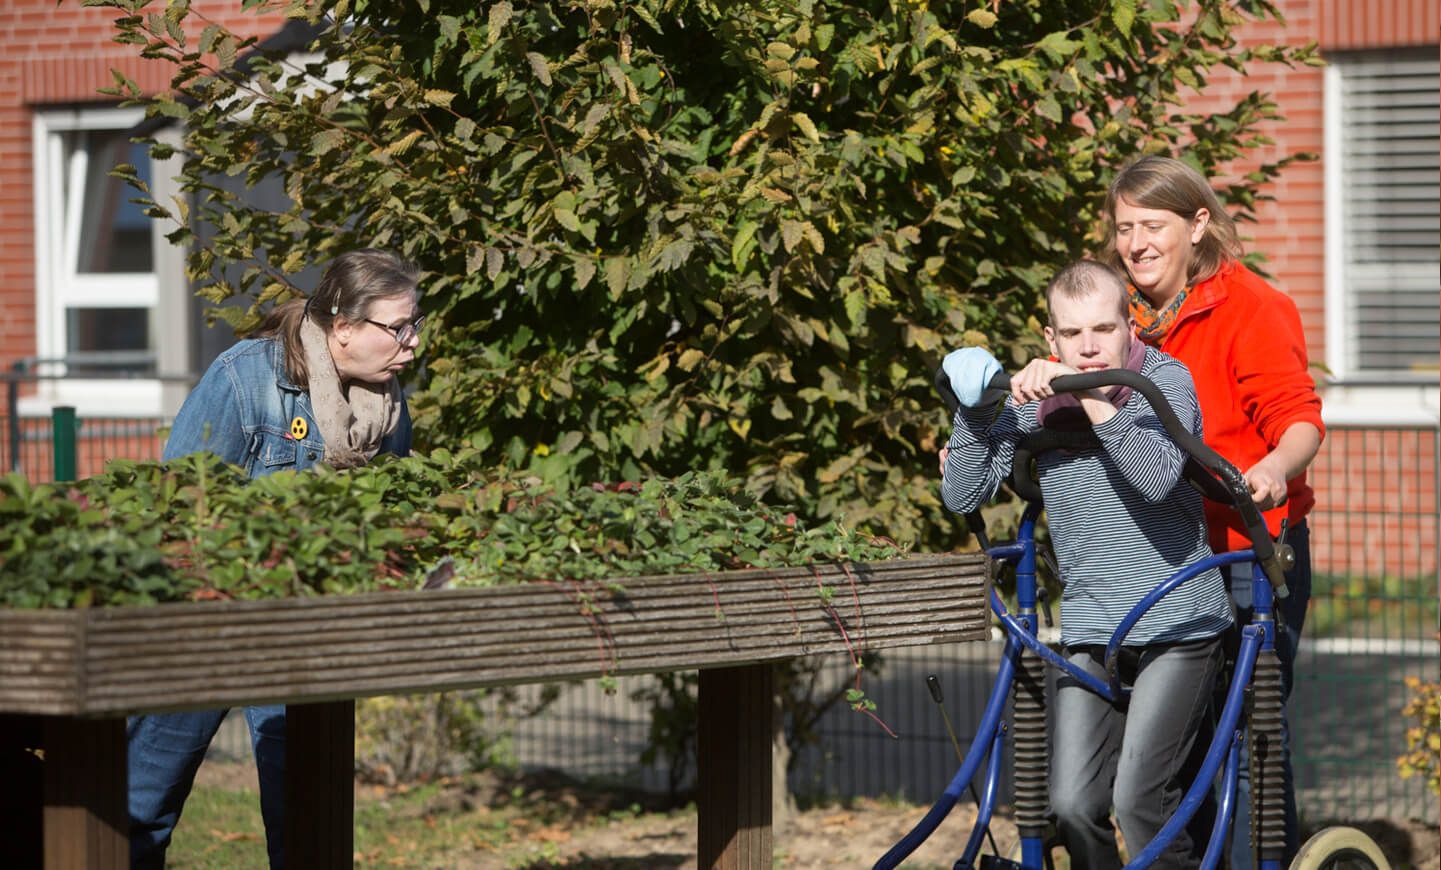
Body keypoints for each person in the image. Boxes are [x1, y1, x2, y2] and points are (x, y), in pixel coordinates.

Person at [127, 248, 422, 869]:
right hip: (204, 625)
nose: (412, 342)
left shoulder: (388, 409)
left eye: (415, 323)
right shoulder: (245, 377)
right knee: (141, 809)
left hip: (304, 640)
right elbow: (174, 507)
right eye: (398, 327)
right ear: (343, 327)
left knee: (304, 819)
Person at [940, 260, 1234, 869]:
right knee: (1071, 804)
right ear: (1052, 339)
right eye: (1073, 335)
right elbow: (965, 496)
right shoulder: (1035, 403)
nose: (1090, 346)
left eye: (1104, 328)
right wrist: (972, 413)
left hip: (1177, 624)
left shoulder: (1164, 379)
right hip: (1092, 628)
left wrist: (1094, 397)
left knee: (1139, 801)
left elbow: (1154, 478)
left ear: (1130, 325)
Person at [1097, 155, 1324, 866]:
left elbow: (1299, 419)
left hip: (1240, 552)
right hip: (1155, 555)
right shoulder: (1119, 318)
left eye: (1152, 225)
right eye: (1124, 226)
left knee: (1250, 736)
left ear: (1197, 225)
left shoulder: (1251, 305)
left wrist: (1273, 468)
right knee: (1171, 749)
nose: (1135, 242)